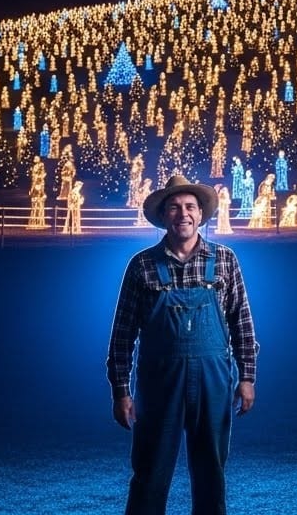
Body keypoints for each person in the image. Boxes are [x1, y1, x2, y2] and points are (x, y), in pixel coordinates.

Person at [107, 175, 258, 515]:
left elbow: (242, 323)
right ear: (163, 217)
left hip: (213, 380)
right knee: (150, 470)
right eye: (174, 207)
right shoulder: (142, 265)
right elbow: (122, 334)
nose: (183, 214)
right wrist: (121, 391)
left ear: (201, 214)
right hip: (160, 382)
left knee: (211, 471)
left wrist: (247, 377)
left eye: (190, 207)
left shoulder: (225, 260)